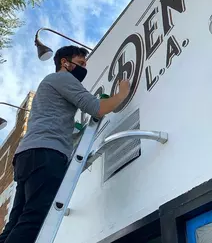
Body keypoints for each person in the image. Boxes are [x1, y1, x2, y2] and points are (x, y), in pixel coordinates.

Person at [0, 45, 130, 243]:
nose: (84, 68)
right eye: (80, 63)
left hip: (28, 155)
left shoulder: (49, 85)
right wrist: (121, 93)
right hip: (46, 152)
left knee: (17, 220)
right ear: (64, 62)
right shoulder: (62, 78)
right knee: (35, 218)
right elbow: (96, 108)